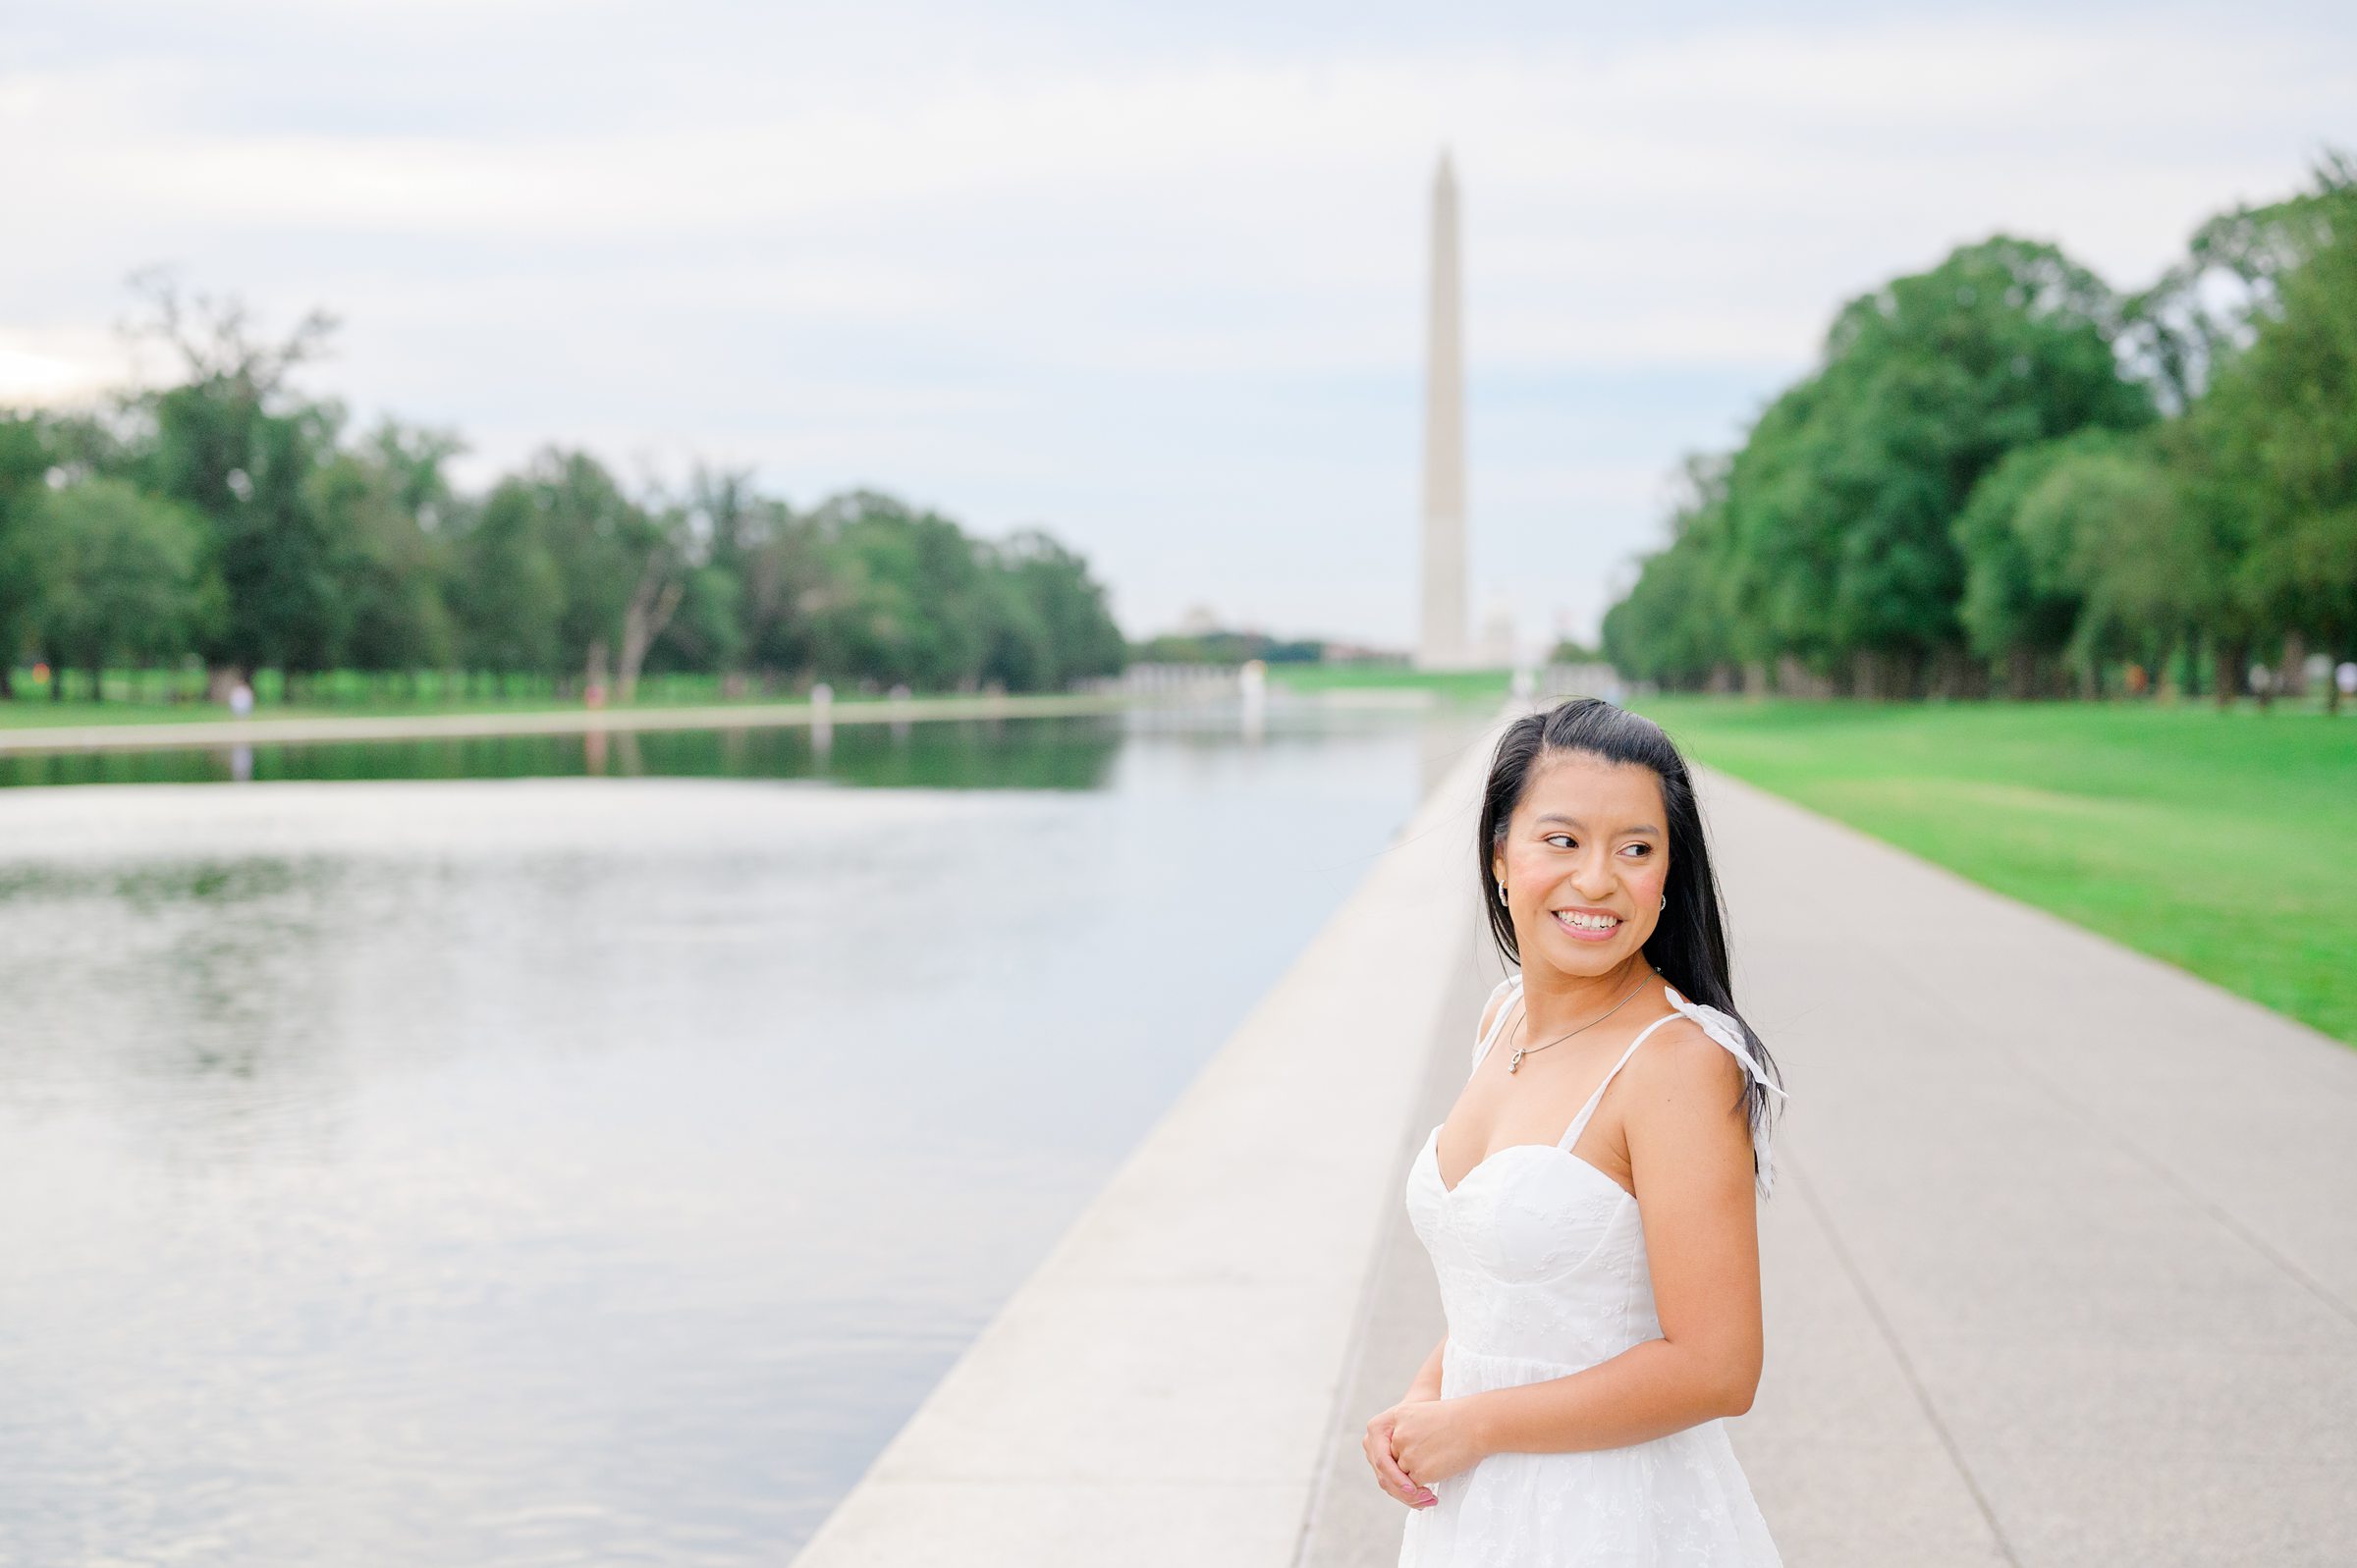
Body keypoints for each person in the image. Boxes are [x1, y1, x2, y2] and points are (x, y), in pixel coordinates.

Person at [1370, 696, 1789, 1565]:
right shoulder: (1503, 1020)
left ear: (1669, 874)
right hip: (1473, 1507)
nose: (1597, 879)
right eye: (1561, 840)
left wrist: (1476, 1422)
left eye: (1635, 849)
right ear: (1499, 855)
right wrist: (1426, 1395)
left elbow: (1719, 1366)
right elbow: (1528, 1287)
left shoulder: (1673, 1063)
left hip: (1607, 1517)